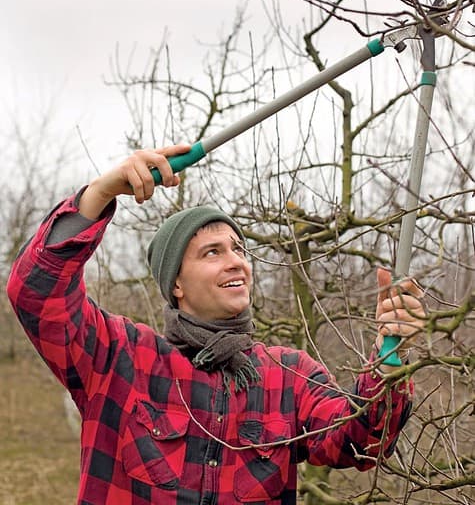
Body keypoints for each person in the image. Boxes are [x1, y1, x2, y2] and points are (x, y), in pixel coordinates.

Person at [7, 145, 426, 505]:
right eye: (212, 252)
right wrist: (99, 192)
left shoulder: (289, 375)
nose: (237, 261)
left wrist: (391, 358)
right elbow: (35, 293)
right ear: (177, 285)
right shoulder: (120, 358)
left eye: (239, 248)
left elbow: (360, 440)